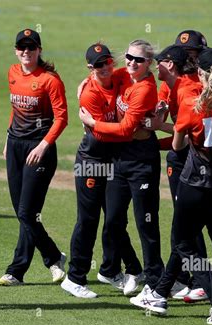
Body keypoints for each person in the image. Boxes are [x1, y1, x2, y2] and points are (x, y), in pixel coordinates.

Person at [130, 47, 212, 324]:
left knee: (183, 244)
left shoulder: (193, 103)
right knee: (184, 239)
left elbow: (177, 144)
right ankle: (159, 295)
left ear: (200, 72)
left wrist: (162, 127)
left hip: (192, 183)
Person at [154, 31, 212, 302]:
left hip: (201, 161)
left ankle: (206, 280)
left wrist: (163, 132)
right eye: (184, 51)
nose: (189, 56)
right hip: (185, 161)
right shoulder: (172, 82)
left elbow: (185, 132)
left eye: (193, 53)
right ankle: (180, 282)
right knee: (188, 226)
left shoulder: (204, 86)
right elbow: (165, 116)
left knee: (195, 225)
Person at [79, 39, 164, 297]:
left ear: (149, 63)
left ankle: (154, 282)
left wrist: (93, 123)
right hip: (119, 159)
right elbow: (95, 77)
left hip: (142, 162)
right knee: (114, 219)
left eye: (138, 59)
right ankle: (115, 270)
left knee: (145, 222)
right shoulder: (122, 75)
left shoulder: (146, 88)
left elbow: (127, 129)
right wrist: (81, 91)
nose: (132, 62)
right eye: (129, 57)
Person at [61, 43, 142, 298]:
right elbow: (99, 135)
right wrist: (129, 131)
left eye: (107, 62)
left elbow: (136, 74)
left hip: (113, 161)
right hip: (92, 161)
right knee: (88, 219)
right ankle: (74, 277)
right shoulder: (89, 94)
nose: (104, 68)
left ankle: (114, 270)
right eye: (98, 65)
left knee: (115, 219)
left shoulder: (118, 77)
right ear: (90, 68)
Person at [0, 29, 68, 286]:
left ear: (39, 50)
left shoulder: (50, 79)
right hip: (15, 147)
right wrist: (8, 139)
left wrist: (43, 146)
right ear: (16, 49)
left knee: (27, 212)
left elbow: (62, 119)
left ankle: (34, 264)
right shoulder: (13, 73)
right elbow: (15, 110)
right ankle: (42, 261)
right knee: (23, 212)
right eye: (21, 47)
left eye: (31, 47)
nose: (25, 52)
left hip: (40, 151)